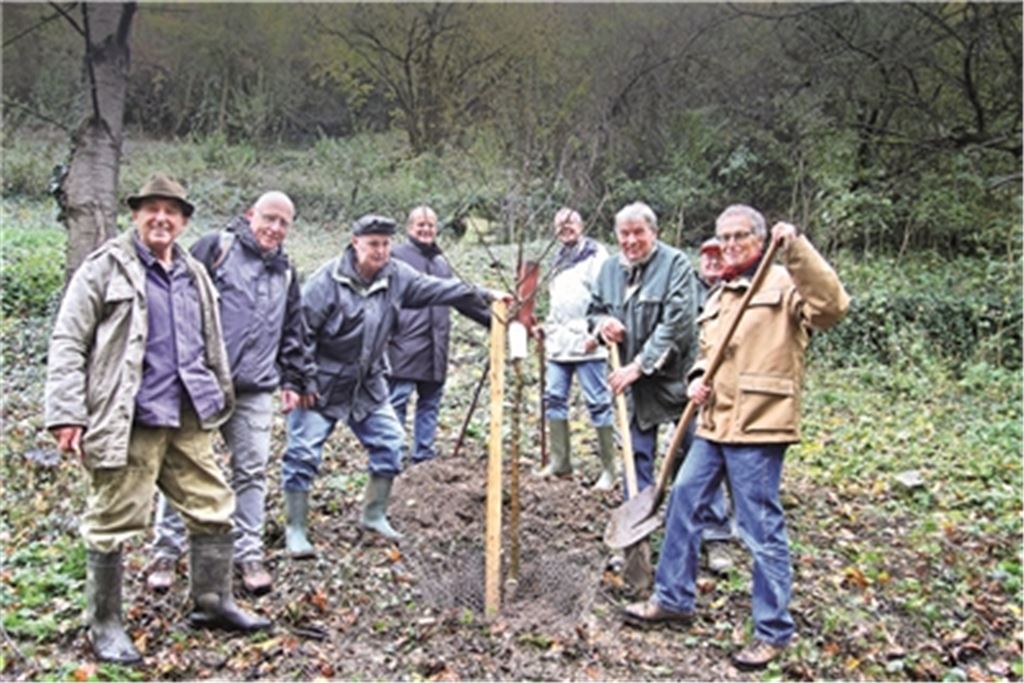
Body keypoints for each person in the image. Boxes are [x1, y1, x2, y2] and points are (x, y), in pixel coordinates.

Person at [44, 175, 270, 665]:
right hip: (132, 416)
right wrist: (66, 413)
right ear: (136, 214)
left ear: (184, 221)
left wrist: (218, 396)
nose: (161, 219)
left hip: (188, 415)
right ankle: (104, 623)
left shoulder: (194, 272)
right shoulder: (105, 267)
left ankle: (212, 603)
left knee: (214, 507)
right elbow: (68, 340)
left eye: (171, 211)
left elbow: (210, 342)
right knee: (112, 519)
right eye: (152, 209)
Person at [622, 205, 850, 671]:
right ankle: (674, 599)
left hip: (759, 424)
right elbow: (709, 354)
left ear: (761, 240)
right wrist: (696, 380)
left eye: (738, 236)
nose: (728, 245)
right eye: (722, 237)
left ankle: (773, 630)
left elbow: (832, 308)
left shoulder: (784, 284)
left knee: (759, 528)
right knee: (684, 501)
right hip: (714, 422)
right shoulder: (721, 293)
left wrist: (797, 248)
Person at [281, 214, 505, 552]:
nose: (380, 251)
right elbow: (300, 334)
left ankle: (374, 515)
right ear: (355, 243)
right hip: (322, 383)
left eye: (386, 244)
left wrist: (484, 293)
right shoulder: (327, 280)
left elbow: (439, 289)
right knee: (302, 453)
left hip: (368, 383)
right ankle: (295, 528)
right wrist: (302, 381)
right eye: (373, 244)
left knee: (390, 442)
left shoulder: (397, 275)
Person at [145, 191, 315, 596]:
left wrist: (294, 380)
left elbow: (293, 330)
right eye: (268, 218)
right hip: (202, 385)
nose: (274, 228)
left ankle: (248, 554)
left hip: (255, 389)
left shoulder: (286, 271)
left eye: (283, 223)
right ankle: (165, 551)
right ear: (250, 215)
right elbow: (177, 304)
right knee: (184, 467)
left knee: (251, 471)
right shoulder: (215, 249)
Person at [588, 201, 698, 496]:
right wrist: (604, 324)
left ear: (654, 233)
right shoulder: (609, 269)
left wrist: (639, 365)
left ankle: (703, 516)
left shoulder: (676, 264)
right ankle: (637, 512)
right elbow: (594, 312)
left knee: (695, 453)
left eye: (638, 232)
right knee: (636, 454)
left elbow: (677, 324)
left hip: (677, 379)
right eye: (624, 234)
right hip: (635, 387)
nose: (631, 240)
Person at [386, 206, 490, 466]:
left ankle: (423, 456)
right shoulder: (396, 257)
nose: (426, 229)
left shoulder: (441, 262)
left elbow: (459, 298)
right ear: (409, 228)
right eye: (420, 224)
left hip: (436, 346)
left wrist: (494, 321)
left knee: (430, 403)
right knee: (397, 401)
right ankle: (390, 456)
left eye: (431, 225)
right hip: (403, 345)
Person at [534, 208, 616, 490]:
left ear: (581, 225)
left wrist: (597, 334)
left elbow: (606, 297)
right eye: (560, 224)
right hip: (559, 342)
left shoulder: (596, 254)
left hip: (587, 339)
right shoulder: (557, 258)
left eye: (570, 223)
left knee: (598, 402)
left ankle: (609, 470)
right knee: (554, 397)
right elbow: (556, 303)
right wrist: (545, 327)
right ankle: (561, 462)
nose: (565, 227)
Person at [692, 237, 737, 574]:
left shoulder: (736, 292)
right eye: (706, 257)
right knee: (688, 466)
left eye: (717, 257)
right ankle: (687, 530)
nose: (711, 262)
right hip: (685, 386)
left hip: (725, 393)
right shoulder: (686, 288)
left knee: (720, 463)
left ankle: (717, 534)